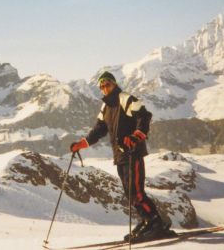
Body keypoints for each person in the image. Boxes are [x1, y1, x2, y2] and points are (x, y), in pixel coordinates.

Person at [70, 71, 169, 243]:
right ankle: (147, 220)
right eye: (101, 86)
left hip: (133, 153)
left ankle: (155, 222)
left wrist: (136, 136)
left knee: (136, 192)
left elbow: (144, 116)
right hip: (120, 156)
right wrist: (81, 144)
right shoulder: (106, 107)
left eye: (107, 84)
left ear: (114, 84)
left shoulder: (126, 98)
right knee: (130, 193)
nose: (104, 88)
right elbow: (99, 130)